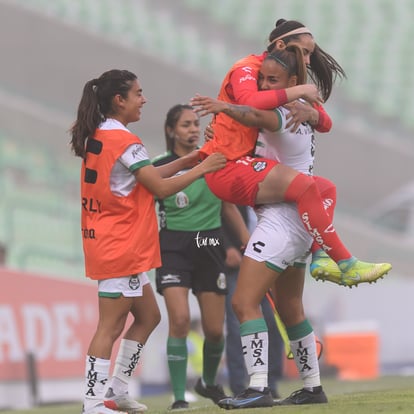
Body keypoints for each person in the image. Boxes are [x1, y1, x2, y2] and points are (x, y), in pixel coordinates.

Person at [69, 70, 226, 414]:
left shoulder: (103, 135)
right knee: (109, 326)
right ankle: (93, 404)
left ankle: (117, 391)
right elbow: (161, 188)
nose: (144, 99)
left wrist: (196, 158)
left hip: (115, 241)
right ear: (119, 100)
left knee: (149, 317)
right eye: (138, 93)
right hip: (119, 244)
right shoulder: (125, 141)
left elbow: (149, 177)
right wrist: (203, 168)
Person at [191, 18, 391, 287]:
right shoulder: (251, 70)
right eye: (305, 52)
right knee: (246, 304)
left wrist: (310, 110)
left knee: (326, 189)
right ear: (281, 45)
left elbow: (326, 123)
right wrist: (299, 90)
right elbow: (250, 107)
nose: (308, 60)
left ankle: (320, 258)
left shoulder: (289, 91)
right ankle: (346, 262)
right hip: (236, 168)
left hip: (262, 176)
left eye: (310, 53)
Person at [192, 45, 334, 408]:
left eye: (273, 81)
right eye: (263, 79)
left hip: (282, 220)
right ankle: (313, 387)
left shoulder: (285, 112)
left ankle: (257, 387)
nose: (265, 86)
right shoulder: (306, 112)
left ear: (291, 82)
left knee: (243, 302)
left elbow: (255, 114)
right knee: (291, 308)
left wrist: (225, 108)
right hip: (297, 220)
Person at [152, 104, 250, 410]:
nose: (193, 129)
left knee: (213, 330)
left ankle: (208, 383)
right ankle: (179, 397)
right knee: (179, 320)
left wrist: (247, 243)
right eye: (185, 125)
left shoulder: (215, 161)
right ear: (171, 131)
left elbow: (229, 207)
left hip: (209, 242)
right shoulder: (159, 166)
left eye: (196, 124)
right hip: (173, 247)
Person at [222, 205, 284, 398]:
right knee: (236, 324)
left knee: (272, 322)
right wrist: (227, 247)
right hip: (236, 264)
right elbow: (214, 220)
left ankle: (269, 382)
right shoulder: (232, 193)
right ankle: (239, 385)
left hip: (266, 263)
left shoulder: (270, 197)